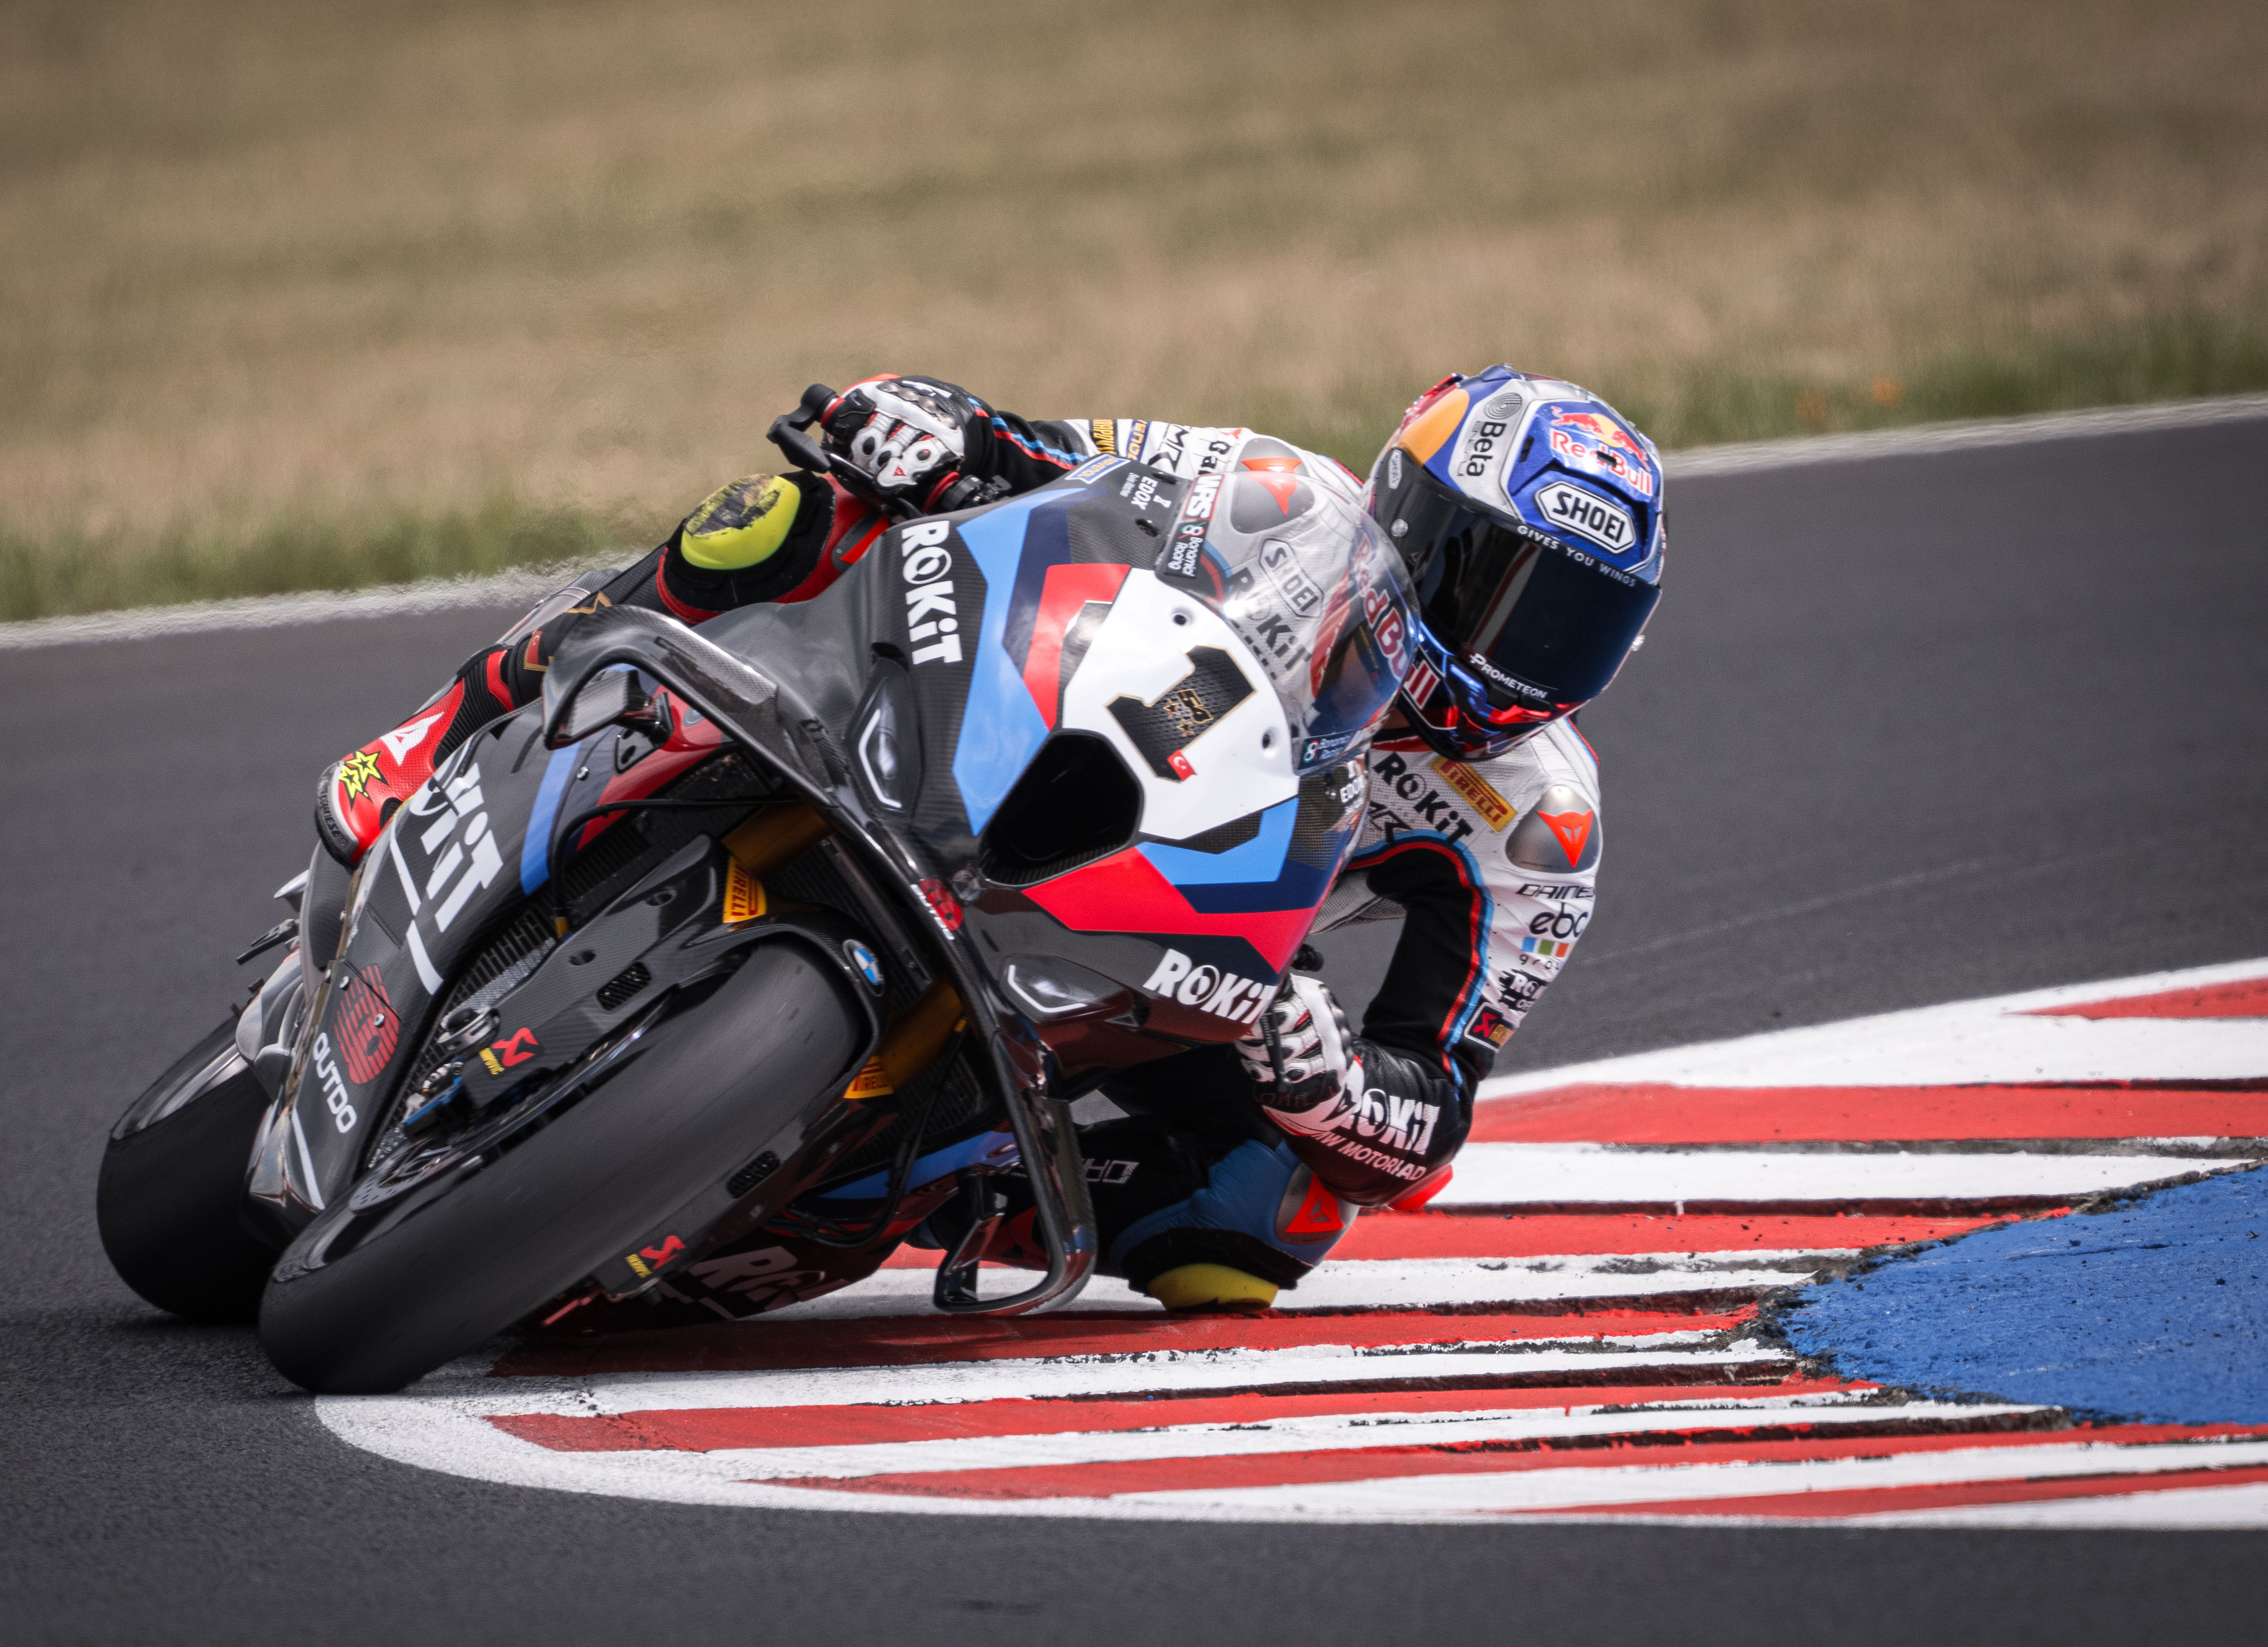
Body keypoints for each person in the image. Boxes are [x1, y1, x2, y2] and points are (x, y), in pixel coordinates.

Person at [311, 369, 1665, 1321]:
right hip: (1018, 735)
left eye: (1573, 630)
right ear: (1412, 512)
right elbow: (1035, 452)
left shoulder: (1537, 822)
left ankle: (944, 1194)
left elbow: (1432, 1112)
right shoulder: (1271, 493)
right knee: (783, 517)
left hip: (1180, 954)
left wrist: (1330, 1080)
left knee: (1270, 1223)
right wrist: (925, 423)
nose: (1521, 656)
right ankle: (437, 739)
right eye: (1501, 589)